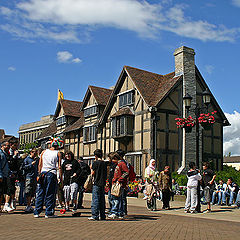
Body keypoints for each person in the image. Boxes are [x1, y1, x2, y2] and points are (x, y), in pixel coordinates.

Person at [33, 137, 63, 218]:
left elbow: (40, 164)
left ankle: (37, 212)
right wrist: (60, 178)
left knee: (40, 192)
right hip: (51, 173)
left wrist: (39, 174)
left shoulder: (43, 152)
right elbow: (59, 167)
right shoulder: (58, 153)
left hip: (43, 173)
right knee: (50, 193)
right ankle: (49, 212)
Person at [108, 150, 129, 219]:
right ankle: (120, 212)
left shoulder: (122, 164)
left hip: (119, 184)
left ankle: (115, 212)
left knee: (116, 198)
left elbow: (126, 172)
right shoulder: (118, 164)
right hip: (116, 182)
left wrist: (119, 179)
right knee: (118, 198)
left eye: (113, 159)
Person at [88, 149, 107, 221]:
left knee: (95, 199)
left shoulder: (95, 163)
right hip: (103, 182)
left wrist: (91, 168)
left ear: (95, 156)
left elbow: (92, 173)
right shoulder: (104, 163)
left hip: (96, 182)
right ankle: (102, 215)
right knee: (102, 200)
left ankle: (95, 215)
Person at [22, 149, 38, 213]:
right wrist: (31, 164)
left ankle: (30, 204)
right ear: (31, 152)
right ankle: (27, 205)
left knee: (32, 191)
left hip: (34, 177)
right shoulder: (27, 159)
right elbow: (24, 167)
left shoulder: (36, 159)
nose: (35, 154)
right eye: (34, 153)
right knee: (28, 190)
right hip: (29, 176)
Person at [0, 141, 13, 212]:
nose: (9, 147)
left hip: (6, 175)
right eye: (7, 146)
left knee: (8, 190)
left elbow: (6, 166)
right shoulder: (1, 154)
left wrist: (10, 172)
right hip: (2, 175)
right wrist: (0, 175)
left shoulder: (5, 154)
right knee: (1, 192)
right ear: (3, 146)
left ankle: (6, 205)